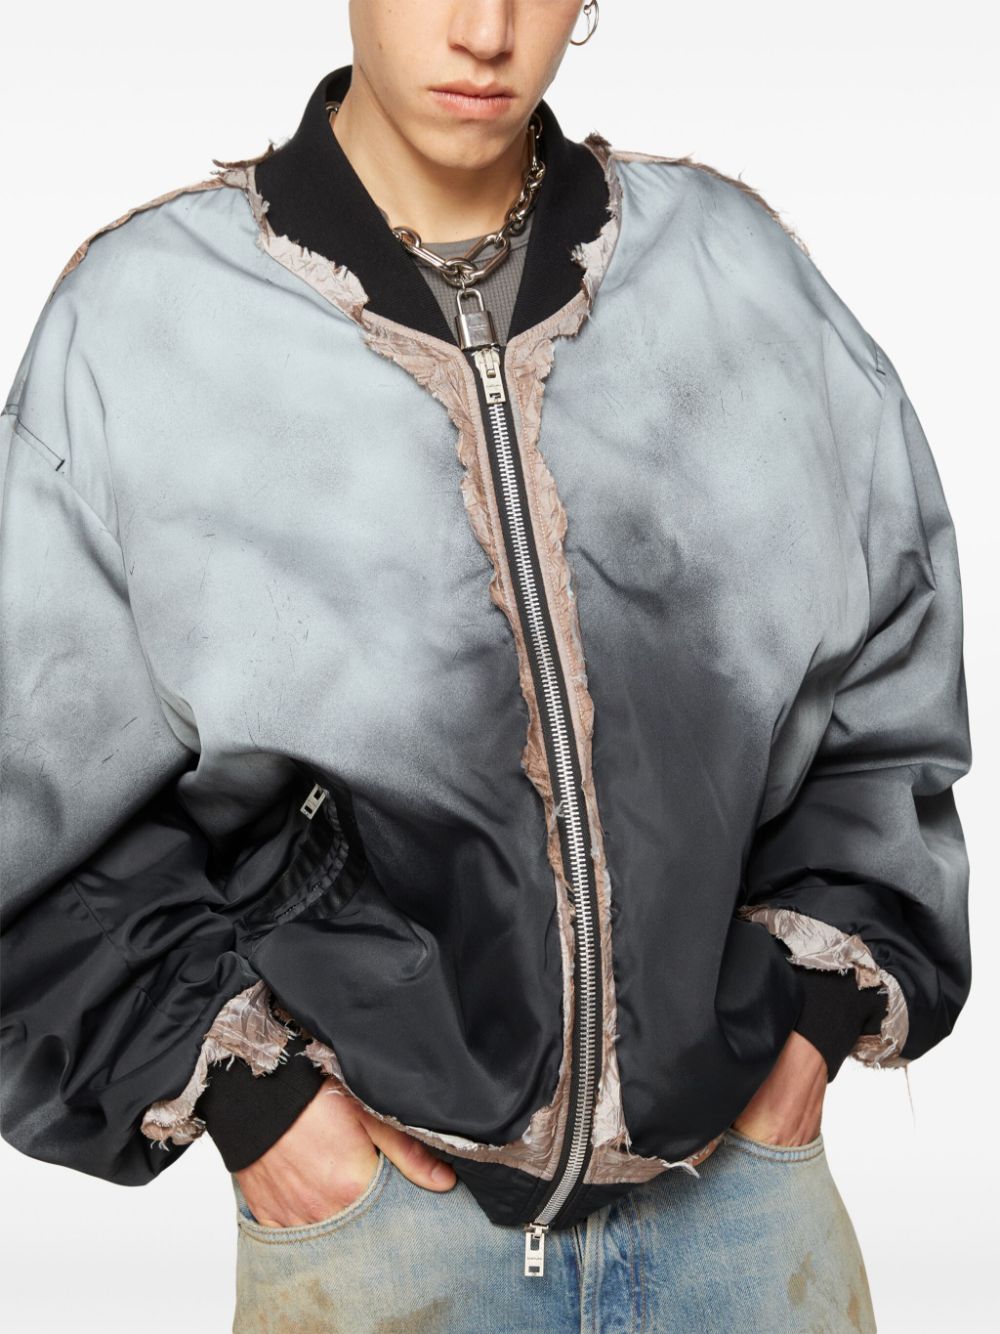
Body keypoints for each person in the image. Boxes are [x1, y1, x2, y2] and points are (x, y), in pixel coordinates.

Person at [0, 2, 972, 1331]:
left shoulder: (727, 273)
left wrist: (806, 1026)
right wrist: (256, 1102)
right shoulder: (148, 325)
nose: (484, 28)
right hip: (384, 1236)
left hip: (744, 1217)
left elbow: (884, 679)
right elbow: (32, 797)